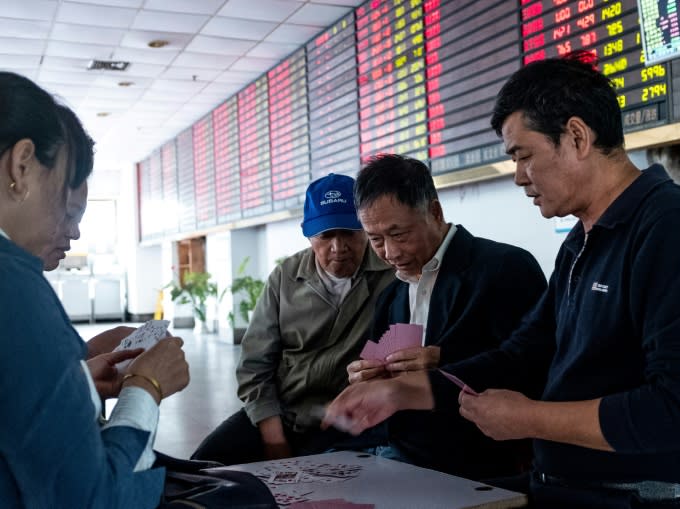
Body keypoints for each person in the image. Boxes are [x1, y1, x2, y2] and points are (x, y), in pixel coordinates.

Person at [323, 54, 680, 509]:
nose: (519, 176)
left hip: (634, 495)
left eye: (523, 156)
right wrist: (404, 391)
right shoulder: (581, 243)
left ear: (577, 137)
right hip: (560, 488)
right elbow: (523, 355)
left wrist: (531, 418)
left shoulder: (673, 226)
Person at [0, 71, 190, 507]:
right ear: (22, 165)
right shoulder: (14, 284)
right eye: (61, 188)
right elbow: (91, 497)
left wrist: (76, 381)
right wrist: (146, 386)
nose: (70, 229)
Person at [341, 154, 547, 480]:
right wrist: (366, 377)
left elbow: (535, 367)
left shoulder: (504, 268)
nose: (390, 253)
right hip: (396, 452)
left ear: (435, 212)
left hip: (476, 463)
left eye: (399, 234)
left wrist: (444, 360)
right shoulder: (391, 296)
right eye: (376, 240)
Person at [191, 173, 395, 465]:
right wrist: (274, 439)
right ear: (309, 235)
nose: (338, 247)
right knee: (204, 463)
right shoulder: (285, 277)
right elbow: (254, 365)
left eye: (349, 232)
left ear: (365, 229)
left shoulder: (391, 276)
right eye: (326, 236)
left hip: (348, 422)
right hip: (282, 412)